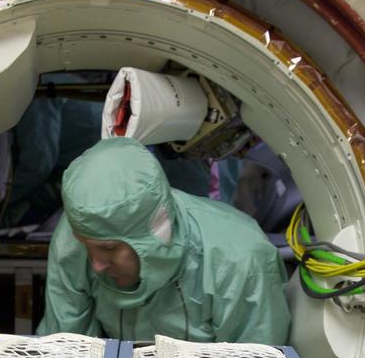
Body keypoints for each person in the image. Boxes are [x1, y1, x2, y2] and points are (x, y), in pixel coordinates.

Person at [38, 137, 291, 344]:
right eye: (86, 245)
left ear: (155, 233)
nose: (97, 265)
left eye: (109, 248)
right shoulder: (74, 240)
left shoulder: (240, 259)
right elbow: (66, 353)